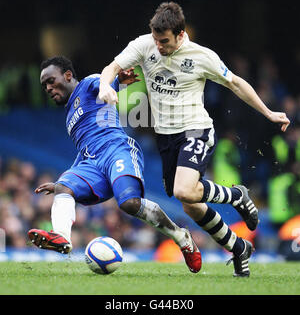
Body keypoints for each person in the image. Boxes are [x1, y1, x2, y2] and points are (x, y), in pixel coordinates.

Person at [98, 1, 290, 277]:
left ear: (180, 34)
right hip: (165, 138)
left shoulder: (201, 56)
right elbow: (111, 67)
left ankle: (238, 195)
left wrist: (268, 112)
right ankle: (238, 248)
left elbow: (235, 83)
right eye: (156, 40)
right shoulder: (144, 45)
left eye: (164, 41)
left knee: (184, 191)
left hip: (195, 130)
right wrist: (106, 85)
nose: (159, 46)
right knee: (191, 205)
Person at [28, 56, 202, 274]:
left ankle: (181, 236)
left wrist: (116, 80)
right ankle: (61, 238)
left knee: (129, 203)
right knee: (64, 187)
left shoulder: (88, 83)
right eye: (44, 85)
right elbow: (84, 151)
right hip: (93, 163)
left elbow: (102, 83)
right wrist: (63, 181)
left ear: (68, 75)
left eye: (51, 81)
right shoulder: (69, 115)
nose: (48, 87)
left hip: (117, 150)